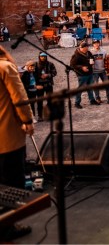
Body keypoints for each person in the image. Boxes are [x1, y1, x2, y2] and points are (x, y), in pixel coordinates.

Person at [0, 46, 35, 241]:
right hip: (6, 138)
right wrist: (27, 121)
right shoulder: (5, 67)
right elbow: (20, 98)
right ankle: (7, 228)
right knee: (12, 183)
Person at [70, 41, 98, 108]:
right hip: (82, 75)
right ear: (81, 48)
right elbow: (72, 65)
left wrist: (92, 61)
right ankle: (77, 103)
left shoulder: (88, 53)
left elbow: (92, 58)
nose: (86, 49)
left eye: (87, 47)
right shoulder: (76, 55)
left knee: (90, 88)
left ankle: (92, 100)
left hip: (90, 73)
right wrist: (82, 67)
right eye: (85, 48)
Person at [35, 52, 56, 121]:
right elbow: (32, 74)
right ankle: (40, 116)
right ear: (39, 57)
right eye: (41, 56)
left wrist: (48, 75)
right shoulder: (36, 65)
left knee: (50, 101)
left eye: (44, 56)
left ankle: (49, 114)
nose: (43, 58)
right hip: (40, 86)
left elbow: (54, 72)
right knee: (39, 101)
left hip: (48, 85)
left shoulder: (50, 64)